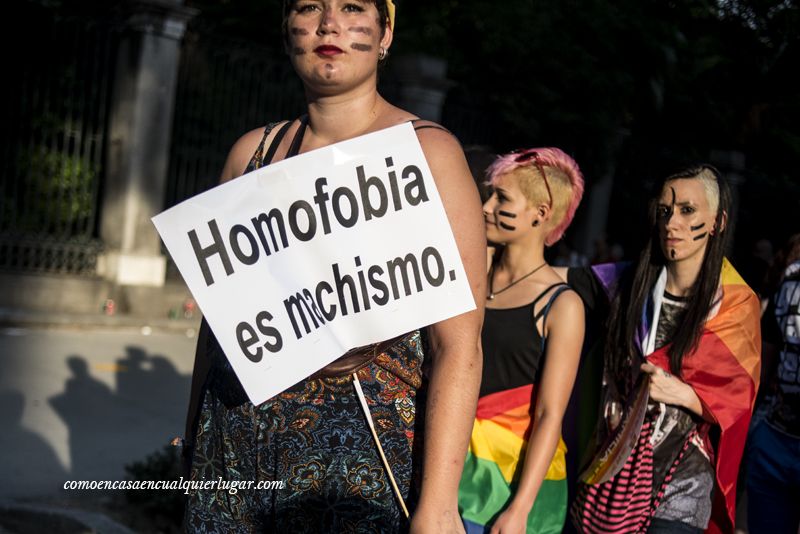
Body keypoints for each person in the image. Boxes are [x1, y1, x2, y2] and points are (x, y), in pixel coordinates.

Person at [181, 1, 486, 532]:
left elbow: (457, 343)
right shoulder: (250, 156)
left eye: (351, 7)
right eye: (309, 7)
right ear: (287, 32)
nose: (329, 24)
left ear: (386, 32)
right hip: (233, 450)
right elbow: (218, 332)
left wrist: (437, 506)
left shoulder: (429, 154)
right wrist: (191, 443)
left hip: (358, 463)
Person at [567, 165, 761, 533]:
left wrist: (686, 395)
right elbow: (547, 283)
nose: (672, 222)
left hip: (681, 487)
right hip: (610, 477)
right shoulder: (622, 285)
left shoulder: (735, 304)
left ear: (717, 222)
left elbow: (738, 399)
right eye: (664, 211)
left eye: (688, 210)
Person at [458, 147, 586, 533]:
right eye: (490, 194)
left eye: (502, 198)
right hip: (447, 469)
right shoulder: (471, 273)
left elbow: (550, 415)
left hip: (503, 488)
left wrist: (520, 511)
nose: (485, 207)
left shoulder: (561, 305)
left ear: (541, 214)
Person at [746, 233, 800, 533]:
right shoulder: (789, 282)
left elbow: (762, 369)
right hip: (774, 441)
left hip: (773, 438)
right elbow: (765, 363)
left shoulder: (788, 280)